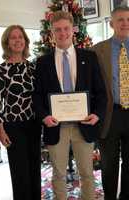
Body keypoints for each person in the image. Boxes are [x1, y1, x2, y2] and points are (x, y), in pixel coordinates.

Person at [33, 11, 107, 200]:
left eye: (66, 28)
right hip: (55, 126)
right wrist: (44, 116)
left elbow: (101, 92)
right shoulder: (42, 62)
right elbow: (37, 95)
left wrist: (97, 114)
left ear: (73, 30)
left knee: (87, 174)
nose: (62, 33)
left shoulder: (89, 58)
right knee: (58, 175)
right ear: (52, 33)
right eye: (58, 30)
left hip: (84, 125)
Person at [0, 25, 41, 200]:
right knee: (20, 172)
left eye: (20, 37)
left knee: (35, 168)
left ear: (25, 41)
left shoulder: (32, 67)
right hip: (13, 127)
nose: (17, 40)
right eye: (13, 37)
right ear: (7, 42)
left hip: (34, 124)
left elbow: (39, 96)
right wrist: (0, 129)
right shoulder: (1, 70)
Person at [92, 6, 129, 200]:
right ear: (111, 23)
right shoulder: (98, 51)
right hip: (109, 114)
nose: (125, 23)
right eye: (120, 19)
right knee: (109, 163)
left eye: (128, 19)